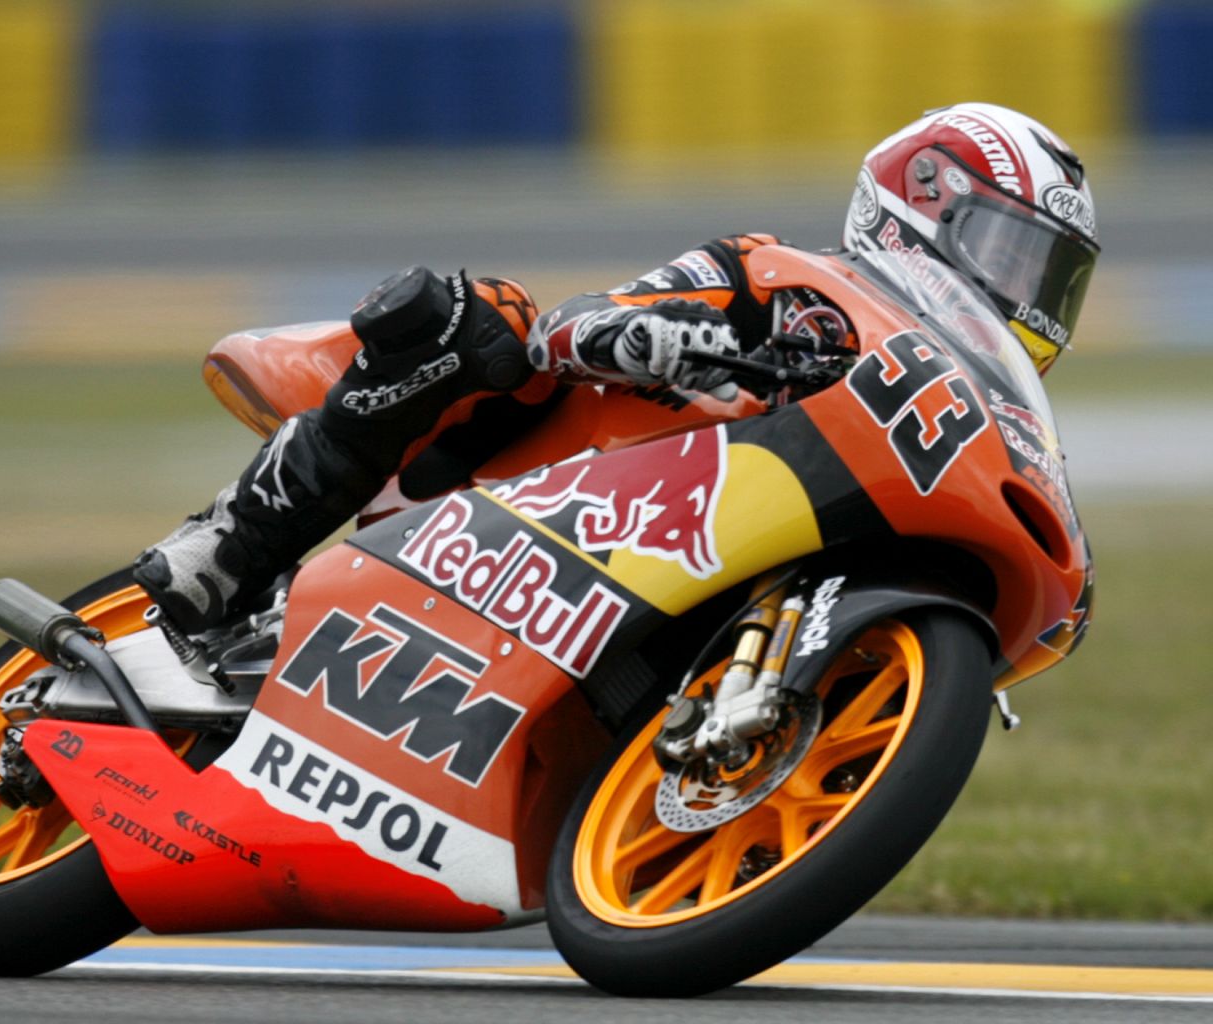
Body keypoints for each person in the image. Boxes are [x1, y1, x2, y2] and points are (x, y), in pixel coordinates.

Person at [134, 101, 1099, 636]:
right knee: (483, 323)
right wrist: (651, 337)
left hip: (669, 568)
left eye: (1049, 278)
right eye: (1013, 254)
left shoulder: (937, 398)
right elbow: (572, 323)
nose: (1027, 295)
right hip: (508, 499)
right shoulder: (777, 270)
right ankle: (225, 553)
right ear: (921, 199)